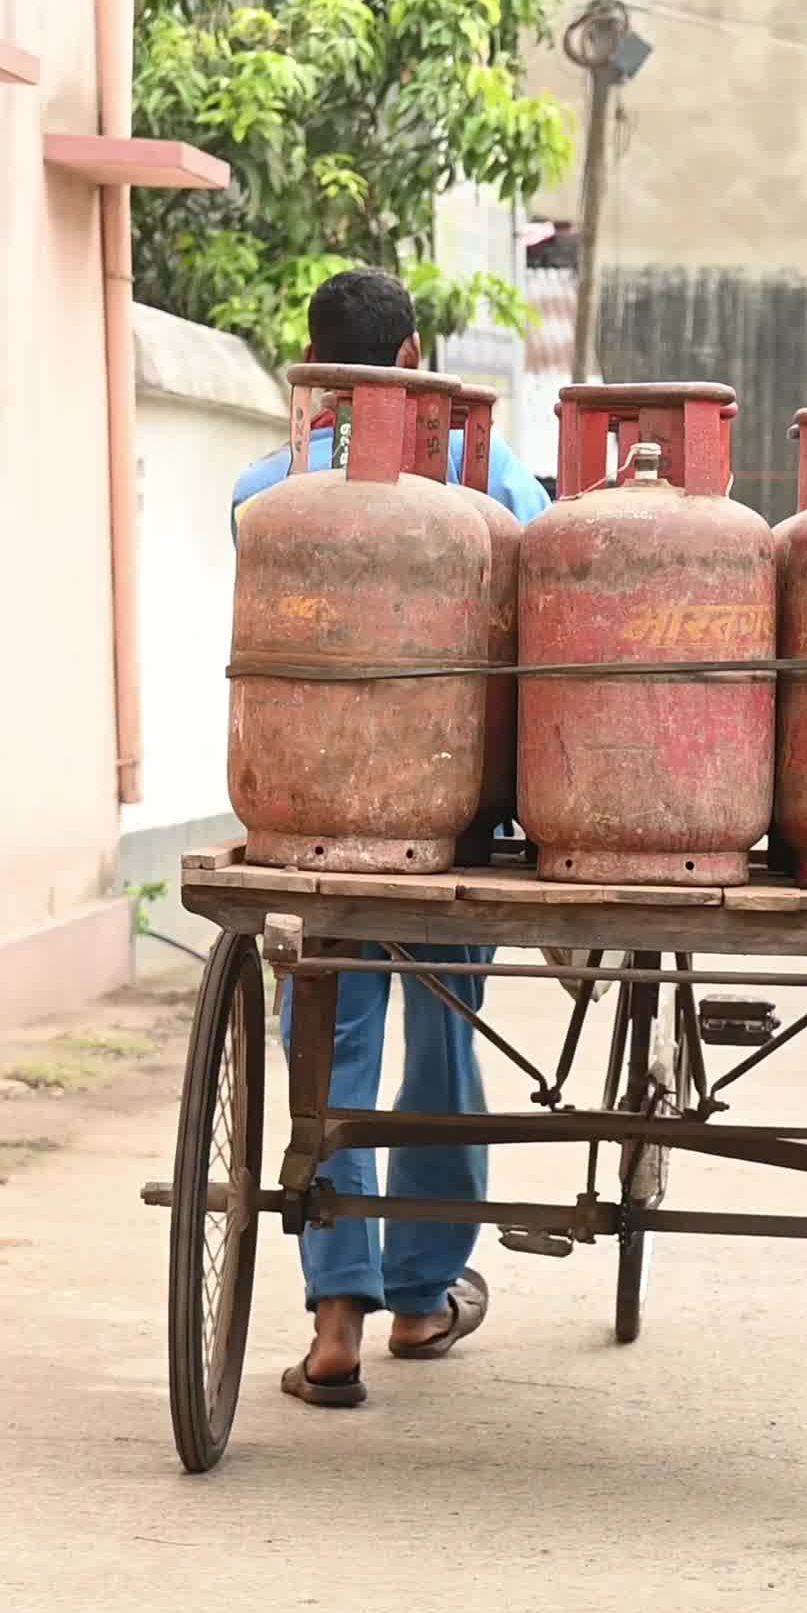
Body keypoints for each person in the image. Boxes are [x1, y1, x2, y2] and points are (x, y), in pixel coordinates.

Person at [228, 268, 548, 1408]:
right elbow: (548, 601)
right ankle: (421, 1294)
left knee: (328, 1041)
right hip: (450, 820)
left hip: (309, 821)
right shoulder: (496, 478)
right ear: (414, 360)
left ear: (312, 366)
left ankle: (334, 1319)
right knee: (446, 1038)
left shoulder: (266, 492)